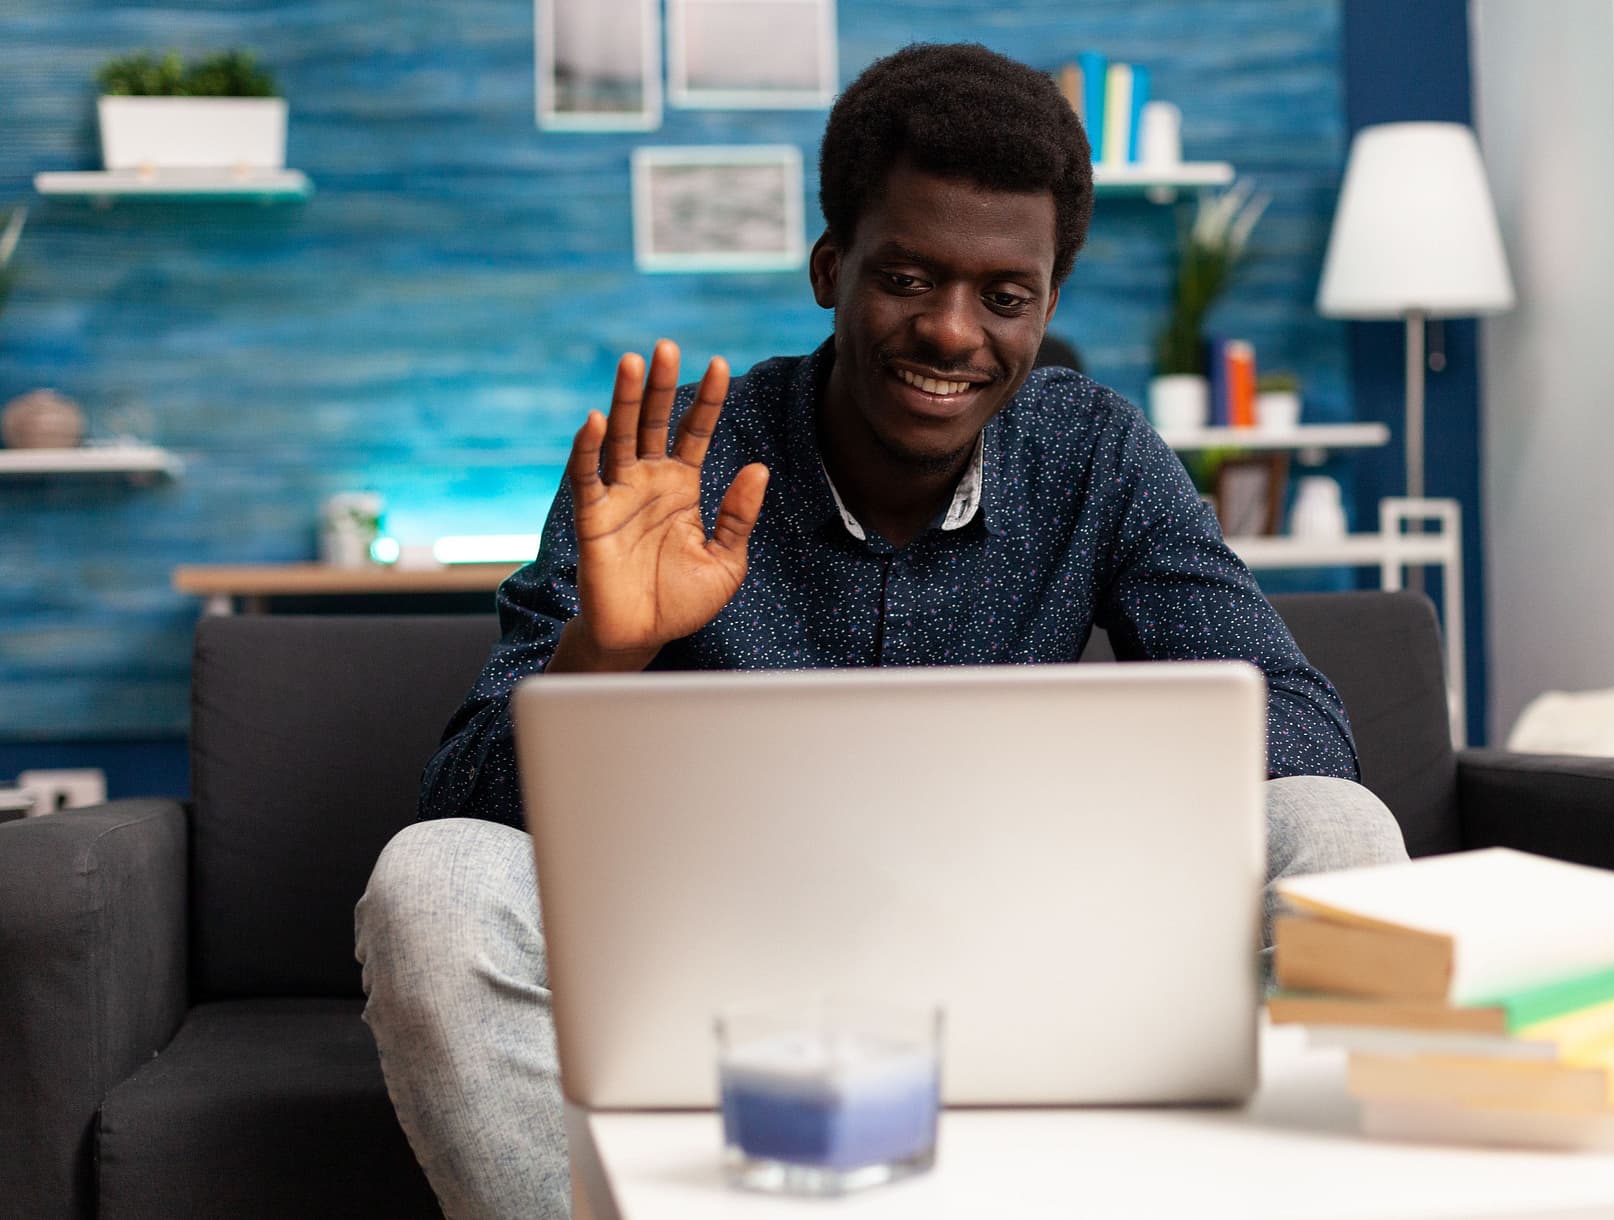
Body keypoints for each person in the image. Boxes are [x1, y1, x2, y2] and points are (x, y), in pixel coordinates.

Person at [355, 42, 1406, 1220]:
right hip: (714, 972)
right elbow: (464, 796)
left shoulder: (1096, 449)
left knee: (1336, 826)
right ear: (830, 266)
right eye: (908, 278)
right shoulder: (676, 468)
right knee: (432, 881)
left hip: (1025, 946)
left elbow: (1302, 726)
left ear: (1046, 302)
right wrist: (603, 653)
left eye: (1003, 296)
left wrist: (1081, 795)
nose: (954, 332)